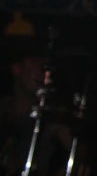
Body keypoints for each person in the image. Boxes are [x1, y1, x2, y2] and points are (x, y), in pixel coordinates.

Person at [0, 38, 71, 176]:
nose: (43, 71)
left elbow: (80, 155)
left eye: (46, 65)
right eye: (35, 63)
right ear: (17, 69)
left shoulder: (54, 117)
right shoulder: (4, 108)